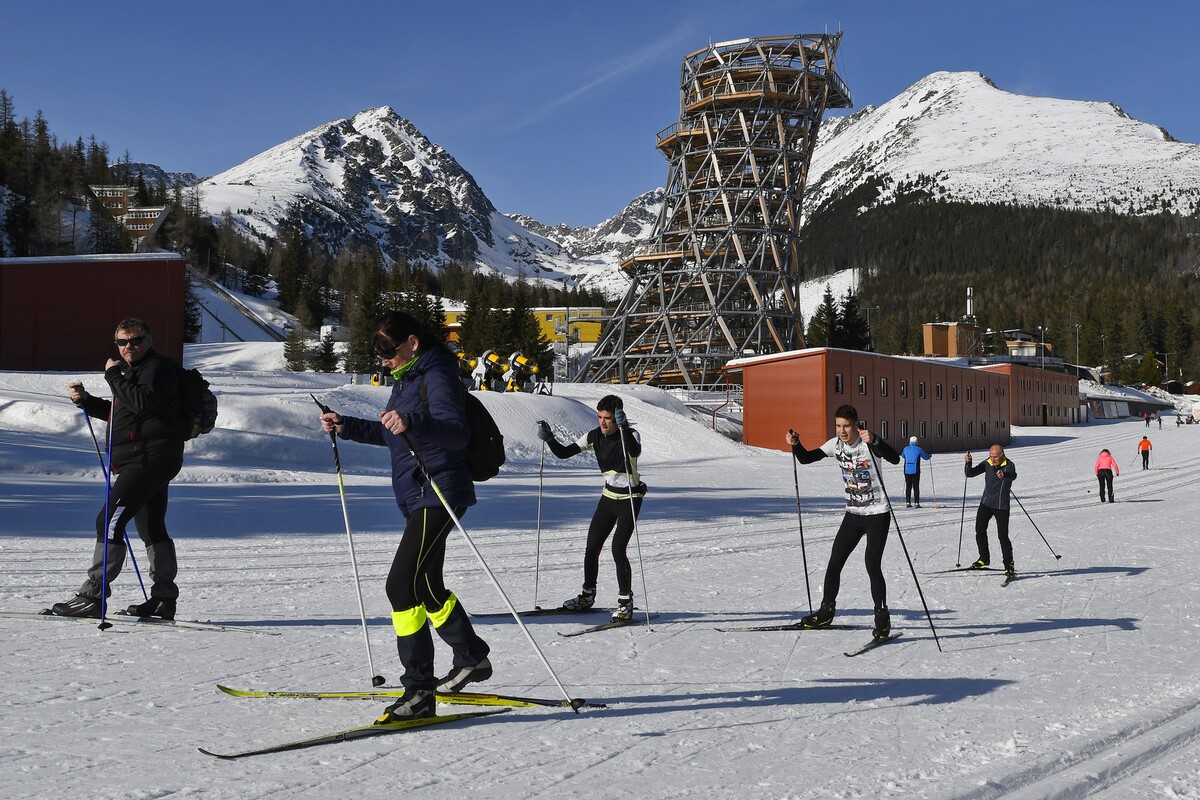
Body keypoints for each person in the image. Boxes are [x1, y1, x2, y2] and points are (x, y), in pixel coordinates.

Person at [320, 311, 491, 721]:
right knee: (427, 584)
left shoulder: (438, 375)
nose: (381, 359)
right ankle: (471, 657)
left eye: (386, 350)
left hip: (439, 491)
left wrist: (412, 420)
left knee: (402, 586)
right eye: (375, 351)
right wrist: (347, 427)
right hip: (417, 494)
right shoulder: (409, 379)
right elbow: (389, 431)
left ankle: (418, 691)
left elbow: (455, 432)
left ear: (412, 343)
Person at [47, 318, 186, 620]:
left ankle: (93, 596)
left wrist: (112, 375)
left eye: (135, 340)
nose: (128, 347)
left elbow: (143, 403)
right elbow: (123, 412)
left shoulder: (157, 368)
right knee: (151, 527)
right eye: (122, 342)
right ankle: (163, 599)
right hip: (149, 458)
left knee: (109, 521)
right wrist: (86, 401)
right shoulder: (133, 373)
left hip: (149, 458)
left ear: (148, 340)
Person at [785, 404, 901, 641]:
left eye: (846, 426)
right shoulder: (834, 444)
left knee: (872, 565)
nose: (842, 430)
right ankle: (826, 611)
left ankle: (882, 619)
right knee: (835, 561)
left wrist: (877, 440)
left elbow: (895, 459)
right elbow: (807, 459)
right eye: (838, 426)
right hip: (853, 514)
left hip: (877, 514)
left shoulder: (868, 443)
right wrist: (796, 446)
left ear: (857, 425)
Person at [536, 395, 646, 622]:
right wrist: (549, 439)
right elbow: (564, 453)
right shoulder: (593, 436)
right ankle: (587, 596)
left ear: (617, 418)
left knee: (618, 550)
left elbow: (634, 452)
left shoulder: (630, 435)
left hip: (629, 499)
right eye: (599, 417)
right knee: (592, 547)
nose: (603, 423)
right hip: (608, 498)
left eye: (608, 419)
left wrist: (624, 428)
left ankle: (626, 602)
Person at [964, 444, 1018, 577]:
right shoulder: (987, 463)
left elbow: (1013, 475)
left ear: (1002, 455)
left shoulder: (1008, 465)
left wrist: (1004, 474)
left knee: (1003, 537)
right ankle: (984, 558)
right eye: (991, 456)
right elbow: (970, 474)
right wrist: (968, 463)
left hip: (1001, 506)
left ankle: (1008, 565)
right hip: (986, 503)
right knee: (979, 530)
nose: (993, 459)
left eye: (995, 457)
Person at [900, 435, 932, 508]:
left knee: (908, 486)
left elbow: (903, 456)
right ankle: (916, 503)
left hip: (907, 470)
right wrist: (929, 455)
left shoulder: (905, 448)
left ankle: (908, 502)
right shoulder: (918, 449)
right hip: (915, 470)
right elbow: (925, 457)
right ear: (916, 442)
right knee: (916, 486)